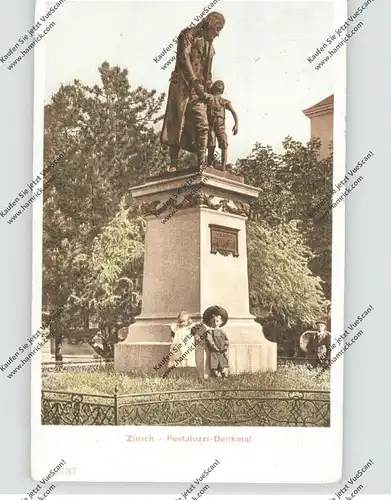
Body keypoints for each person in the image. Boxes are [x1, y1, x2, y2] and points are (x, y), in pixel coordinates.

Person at [160, 12, 226, 170]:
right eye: (217, 29)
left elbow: (208, 72)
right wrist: (195, 82)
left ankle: (201, 163)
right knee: (176, 122)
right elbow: (184, 58)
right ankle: (173, 164)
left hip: (199, 91)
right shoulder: (187, 35)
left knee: (203, 125)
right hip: (182, 86)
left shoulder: (210, 47)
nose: (218, 34)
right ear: (210, 24)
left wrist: (210, 92)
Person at [201, 80, 238, 170]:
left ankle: (223, 167)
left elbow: (234, 112)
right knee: (211, 144)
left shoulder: (224, 102)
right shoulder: (209, 97)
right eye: (218, 84)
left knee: (224, 145)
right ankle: (210, 164)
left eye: (221, 85)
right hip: (211, 126)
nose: (220, 85)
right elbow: (201, 93)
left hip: (221, 126)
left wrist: (236, 124)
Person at [202, 305, 230, 377]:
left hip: (222, 351)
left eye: (217, 321)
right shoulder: (210, 331)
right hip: (214, 351)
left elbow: (226, 339)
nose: (215, 323)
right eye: (213, 321)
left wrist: (225, 347)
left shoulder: (222, 331)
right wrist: (215, 347)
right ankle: (215, 374)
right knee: (214, 363)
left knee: (222, 362)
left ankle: (223, 373)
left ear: (221, 322)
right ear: (210, 322)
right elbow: (210, 340)